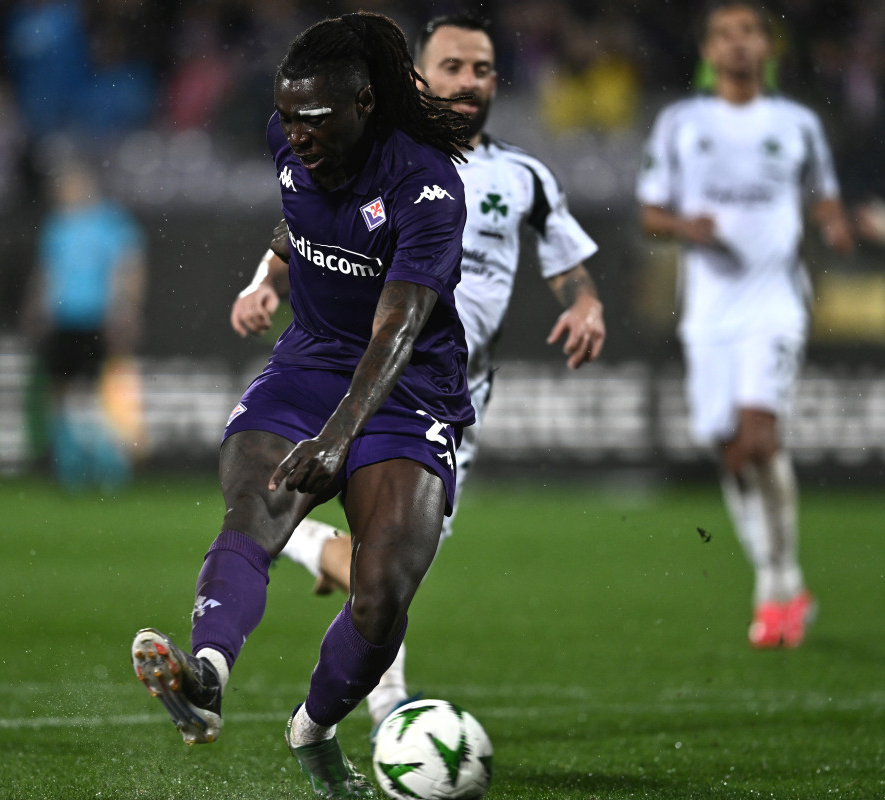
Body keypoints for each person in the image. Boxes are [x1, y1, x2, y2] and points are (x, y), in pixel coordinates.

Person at [230, 12, 606, 734]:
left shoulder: (523, 176)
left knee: (393, 564)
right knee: (387, 564)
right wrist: (264, 283)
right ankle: (388, 708)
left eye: (482, 69)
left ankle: (303, 545)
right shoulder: (383, 156)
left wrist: (586, 303)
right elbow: (300, 224)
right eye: (452, 67)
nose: (468, 81)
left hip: (450, 392)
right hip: (368, 376)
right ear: (413, 80)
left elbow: (568, 265)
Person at [131, 12, 475, 798]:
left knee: (381, 593)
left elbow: (397, 329)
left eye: (314, 118)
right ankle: (205, 676)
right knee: (255, 505)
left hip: (407, 384)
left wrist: (337, 438)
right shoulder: (288, 144)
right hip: (309, 361)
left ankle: (312, 730)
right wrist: (266, 276)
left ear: (364, 103)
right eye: (287, 116)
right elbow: (301, 218)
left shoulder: (425, 186)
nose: (296, 133)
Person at [635, 1, 854, 648]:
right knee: (731, 449)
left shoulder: (797, 124)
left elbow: (824, 196)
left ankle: (774, 582)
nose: (738, 43)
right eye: (725, 34)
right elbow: (650, 213)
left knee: (759, 437)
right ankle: (784, 579)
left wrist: (835, 223)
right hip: (708, 313)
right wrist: (687, 227)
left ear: (768, 47)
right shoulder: (680, 123)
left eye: (750, 32)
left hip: (774, 303)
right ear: (708, 51)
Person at [23, 158, 146, 489]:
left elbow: (129, 269)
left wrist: (125, 310)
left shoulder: (111, 224)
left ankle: (108, 463)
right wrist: (36, 307)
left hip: (96, 318)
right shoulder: (56, 227)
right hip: (64, 320)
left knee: (99, 393)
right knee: (60, 389)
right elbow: (47, 272)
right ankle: (69, 464)